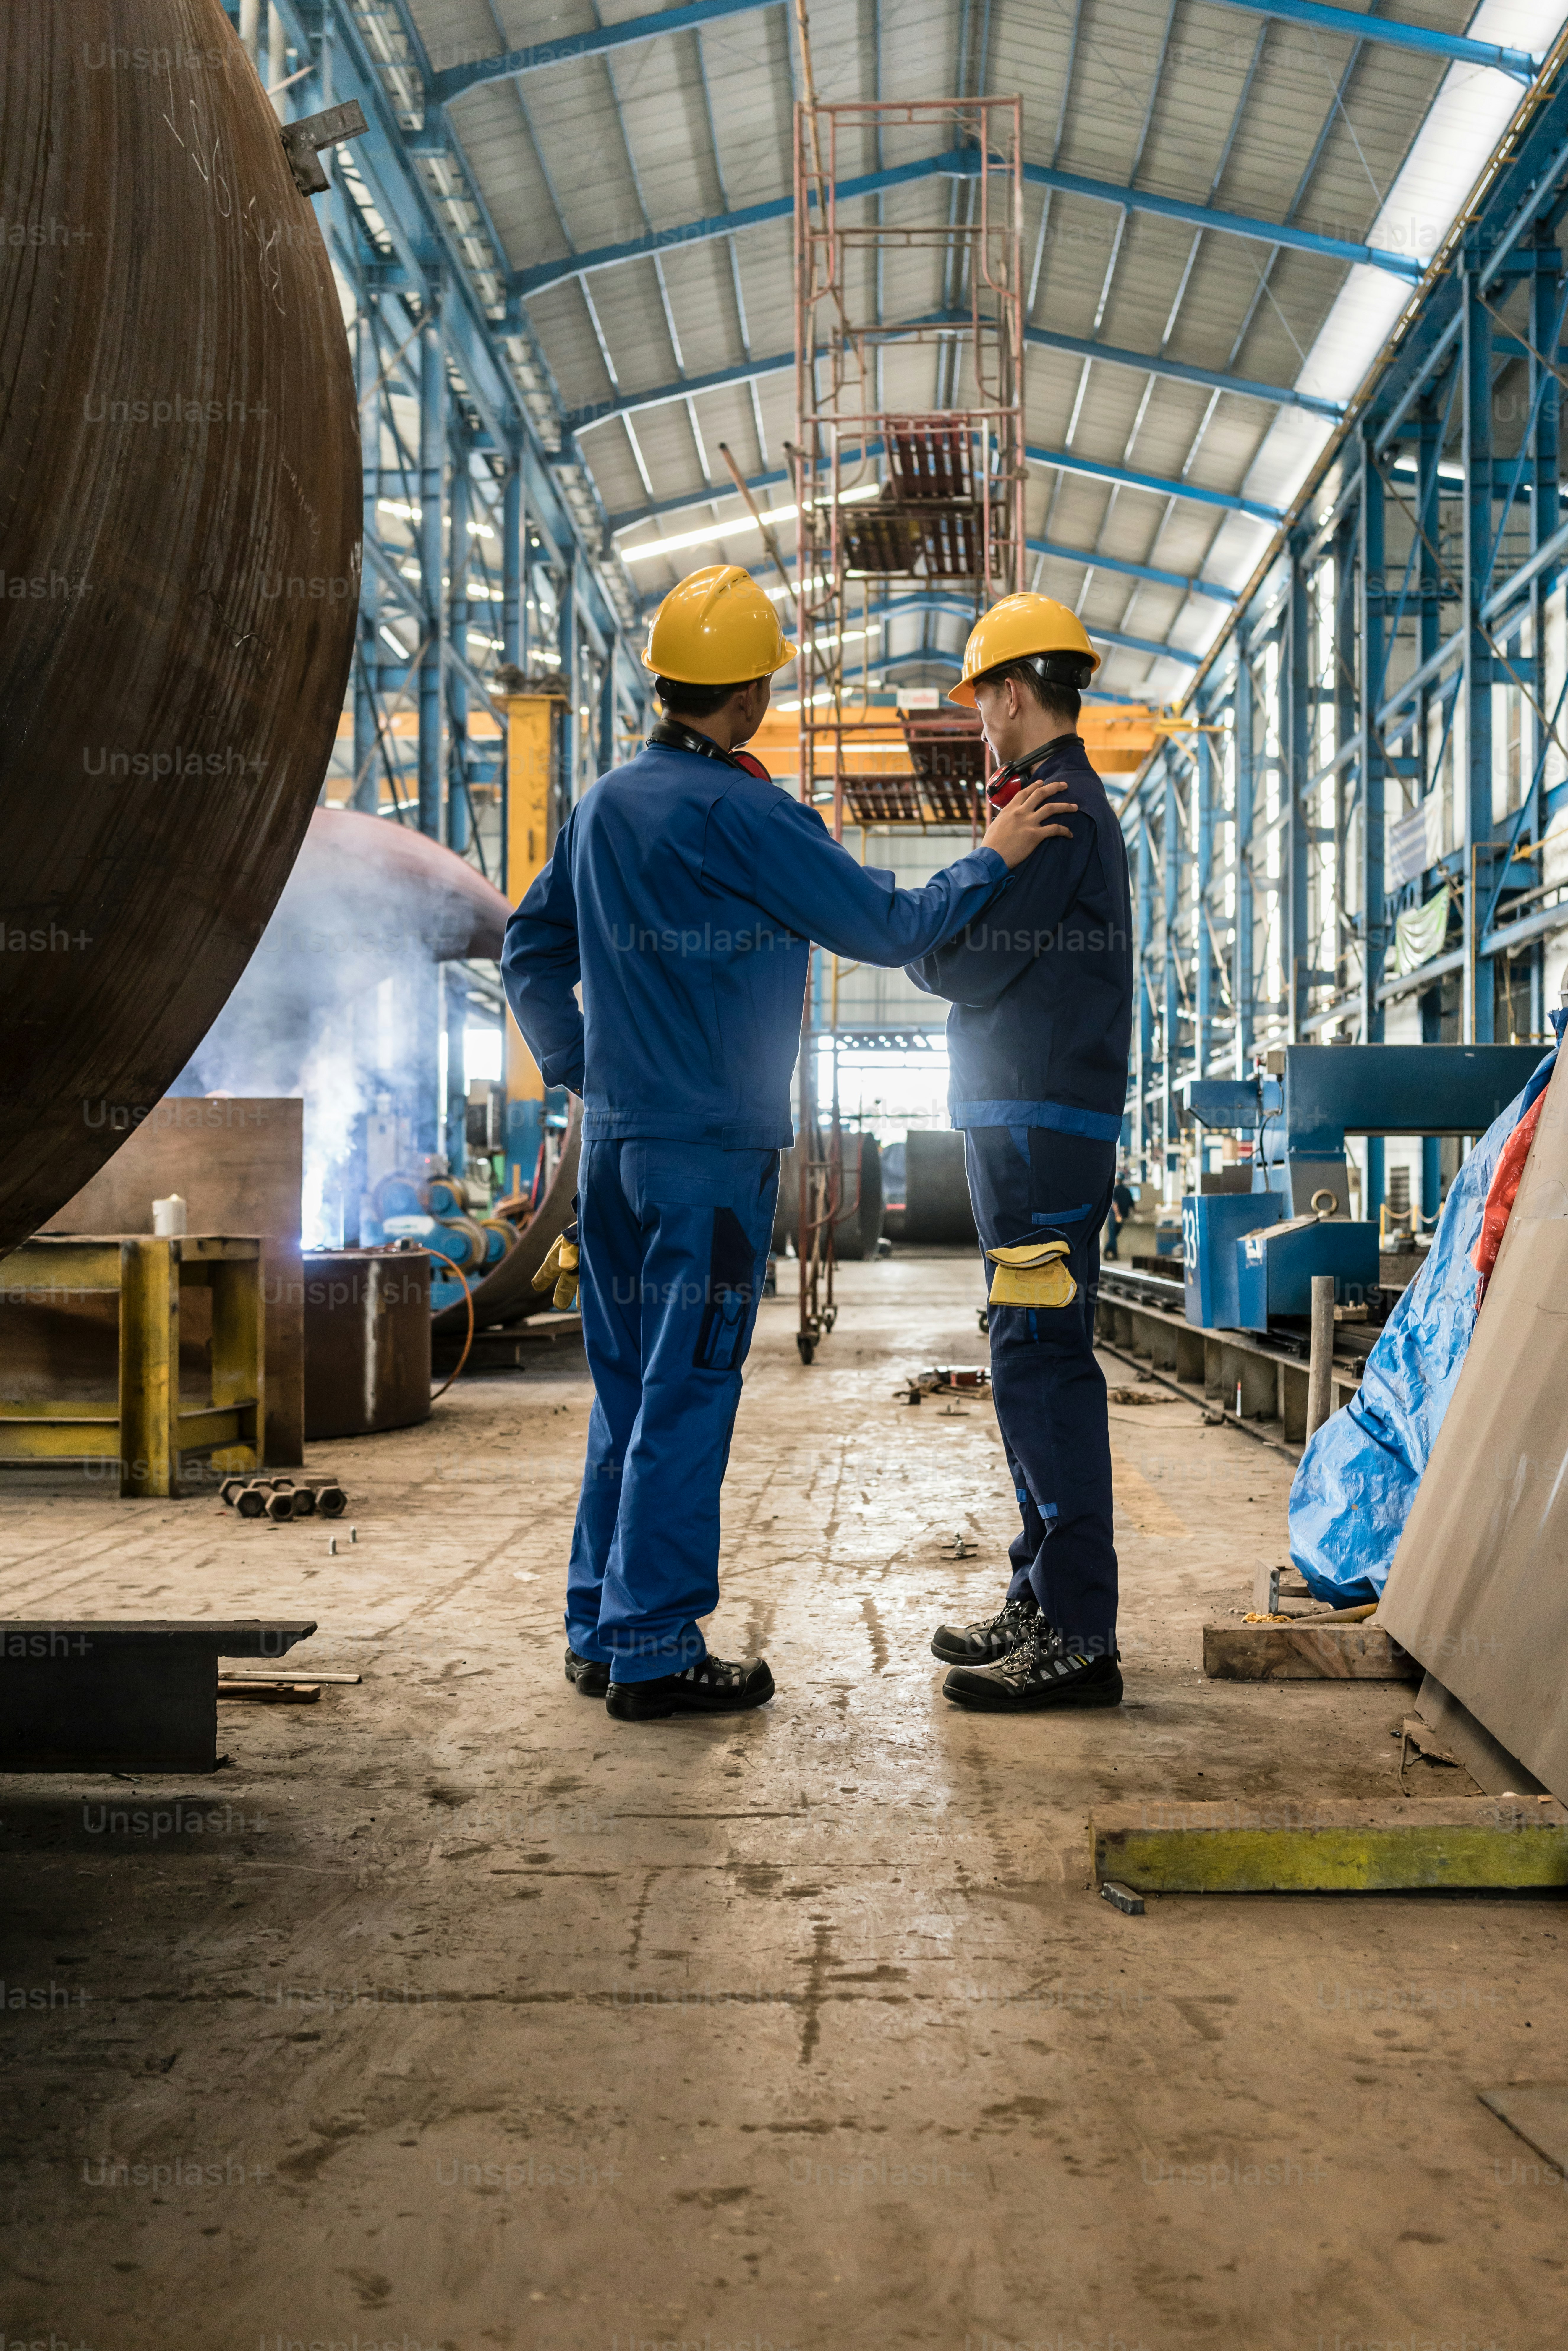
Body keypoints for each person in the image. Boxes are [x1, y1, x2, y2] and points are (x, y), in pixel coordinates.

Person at [501, 564, 1078, 1725]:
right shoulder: (750, 816)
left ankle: (599, 1627)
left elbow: (528, 945)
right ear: (752, 693)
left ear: (668, 681)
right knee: (687, 1394)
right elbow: (889, 924)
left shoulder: (608, 802)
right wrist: (996, 853)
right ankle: (656, 1645)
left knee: (625, 1394)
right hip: (705, 1164)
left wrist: (580, 1070)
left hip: (610, 1152)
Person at [907, 592, 1134, 1715]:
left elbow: (955, 966)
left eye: (978, 699)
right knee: (1022, 1348)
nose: (977, 721)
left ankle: (1081, 1629)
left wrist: (939, 924)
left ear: (1007, 690)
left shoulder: (1056, 810)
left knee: (1041, 1357)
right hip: (1026, 1125)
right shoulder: (1043, 808)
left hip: (1043, 1133)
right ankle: (1042, 1594)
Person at [1104, 1168, 1135, 1261]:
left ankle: (1111, 1253)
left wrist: (1118, 1215)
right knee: (1114, 1236)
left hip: (1114, 1217)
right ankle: (1109, 1253)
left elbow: (1115, 1204)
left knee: (1113, 1236)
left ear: (1117, 1180)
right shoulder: (1128, 1191)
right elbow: (1133, 1207)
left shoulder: (1115, 1190)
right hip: (1122, 1217)